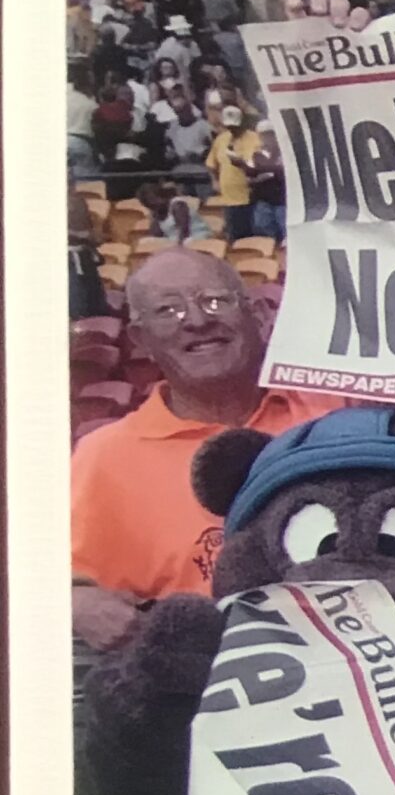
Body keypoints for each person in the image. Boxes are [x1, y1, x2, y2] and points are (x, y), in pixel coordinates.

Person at [70, 249, 334, 650]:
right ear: (140, 339)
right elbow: (43, 588)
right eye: (168, 310)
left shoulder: (332, 415)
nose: (196, 321)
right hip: (193, 691)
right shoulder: (102, 458)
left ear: (257, 315)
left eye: (215, 300)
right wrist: (75, 602)